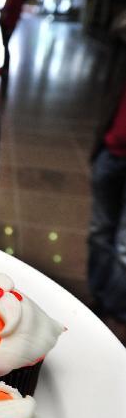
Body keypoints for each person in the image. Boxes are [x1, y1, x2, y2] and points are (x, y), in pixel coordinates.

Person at [87, 61, 126, 343]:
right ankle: (98, 300)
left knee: (124, 247)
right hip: (112, 150)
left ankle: (116, 316)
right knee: (100, 231)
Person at [0, 0, 26, 90]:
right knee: (4, 45)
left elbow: (15, 13)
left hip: (8, 25)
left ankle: (6, 67)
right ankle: (4, 66)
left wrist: (10, 25)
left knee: (6, 45)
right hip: (5, 23)